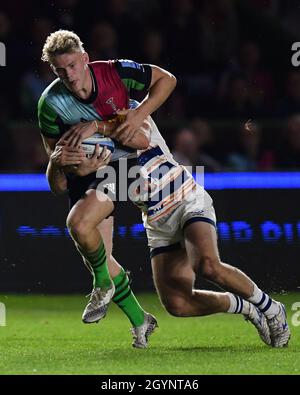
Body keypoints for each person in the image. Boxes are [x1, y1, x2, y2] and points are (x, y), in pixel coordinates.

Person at [108, 101, 290, 348]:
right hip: (157, 220)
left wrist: (96, 132)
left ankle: (271, 308)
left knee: (206, 265)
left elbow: (138, 138)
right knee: (177, 304)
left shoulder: (126, 106)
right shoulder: (84, 127)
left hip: (185, 198)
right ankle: (246, 307)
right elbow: (82, 183)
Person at [38, 29, 176, 348]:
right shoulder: (50, 104)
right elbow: (56, 178)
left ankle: (103, 286)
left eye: (73, 65)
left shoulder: (115, 71)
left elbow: (167, 79)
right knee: (95, 254)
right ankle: (142, 321)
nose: (69, 75)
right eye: (61, 70)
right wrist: (62, 163)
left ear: (85, 59)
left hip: (128, 162)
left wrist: (139, 112)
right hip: (90, 170)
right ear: (53, 70)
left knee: (79, 224)